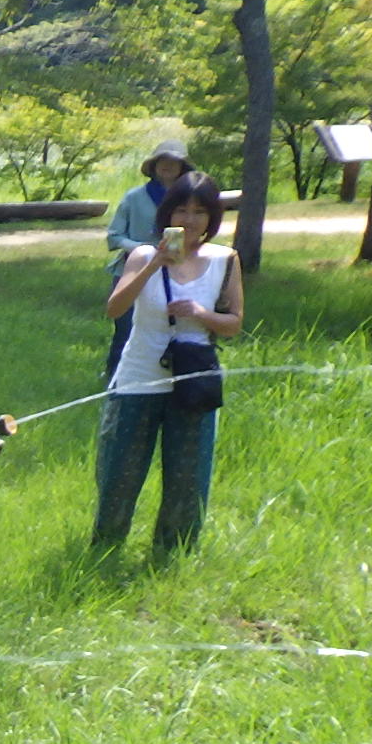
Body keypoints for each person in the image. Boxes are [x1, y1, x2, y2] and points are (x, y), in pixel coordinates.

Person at [94, 171, 242, 560]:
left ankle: (171, 553)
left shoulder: (225, 259)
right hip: (139, 380)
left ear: (213, 217)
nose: (190, 220)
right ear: (167, 213)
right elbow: (115, 309)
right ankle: (106, 549)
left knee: (187, 477)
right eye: (181, 209)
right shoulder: (143, 255)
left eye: (199, 211)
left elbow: (234, 324)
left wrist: (200, 313)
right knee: (119, 474)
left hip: (193, 382)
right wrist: (153, 263)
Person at [105, 141, 192, 381]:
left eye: (174, 162)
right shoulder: (134, 197)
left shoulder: (187, 201)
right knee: (124, 330)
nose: (168, 166)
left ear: (182, 167)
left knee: (166, 329)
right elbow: (114, 237)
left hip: (175, 272)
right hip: (131, 271)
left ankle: (166, 377)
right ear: (153, 166)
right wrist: (146, 251)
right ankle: (114, 380)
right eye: (162, 161)